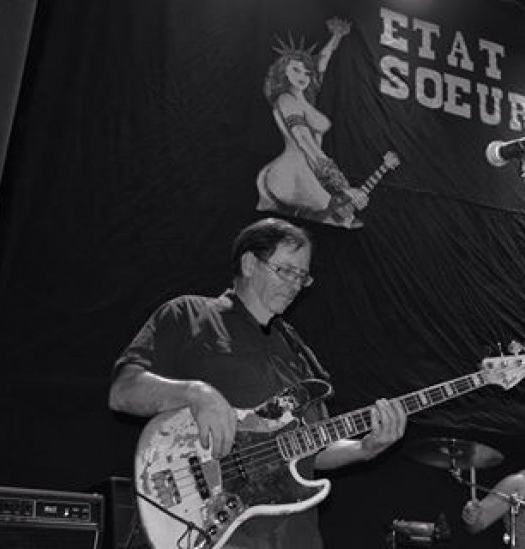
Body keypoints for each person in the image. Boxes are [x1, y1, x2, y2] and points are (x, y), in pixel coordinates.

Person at [109, 217, 407, 548]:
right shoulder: (190, 315)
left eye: (302, 276)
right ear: (249, 263)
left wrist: (366, 448)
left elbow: (314, 449)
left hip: (295, 537)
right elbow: (124, 391)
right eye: (286, 271)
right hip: (216, 529)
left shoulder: (299, 355)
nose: (295, 284)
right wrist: (196, 393)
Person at [256, 18, 368, 229]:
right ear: (284, 71)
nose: (303, 76)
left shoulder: (307, 97)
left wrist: (336, 37)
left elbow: (322, 61)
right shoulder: (286, 100)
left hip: (311, 170)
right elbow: (304, 141)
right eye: (296, 70)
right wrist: (340, 184)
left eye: (307, 72)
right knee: (343, 217)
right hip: (294, 173)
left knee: (344, 216)